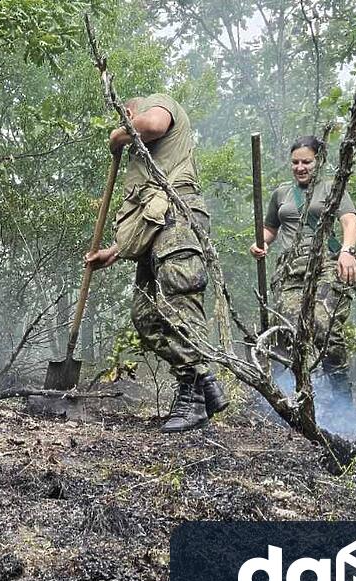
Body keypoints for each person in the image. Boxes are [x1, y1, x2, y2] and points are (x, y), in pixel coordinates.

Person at [85, 94, 228, 433]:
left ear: (131, 112)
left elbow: (151, 124)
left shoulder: (157, 104)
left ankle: (192, 398)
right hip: (159, 229)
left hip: (179, 218)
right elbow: (147, 214)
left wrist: (116, 136)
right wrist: (114, 250)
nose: (125, 125)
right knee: (146, 315)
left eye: (126, 118)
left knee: (180, 304)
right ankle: (204, 380)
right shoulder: (145, 159)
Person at [249, 135, 356, 419]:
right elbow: (270, 230)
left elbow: (349, 221)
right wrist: (260, 243)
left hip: (325, 264)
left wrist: (347, 252)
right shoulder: (281, 194)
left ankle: (343, 406)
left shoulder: (331, 188)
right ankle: (287, 402)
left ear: (318, 162)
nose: (300, 167)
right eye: (295, 162)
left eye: (307, 162)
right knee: (286, 334)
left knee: (325, 329)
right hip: (290, 271)